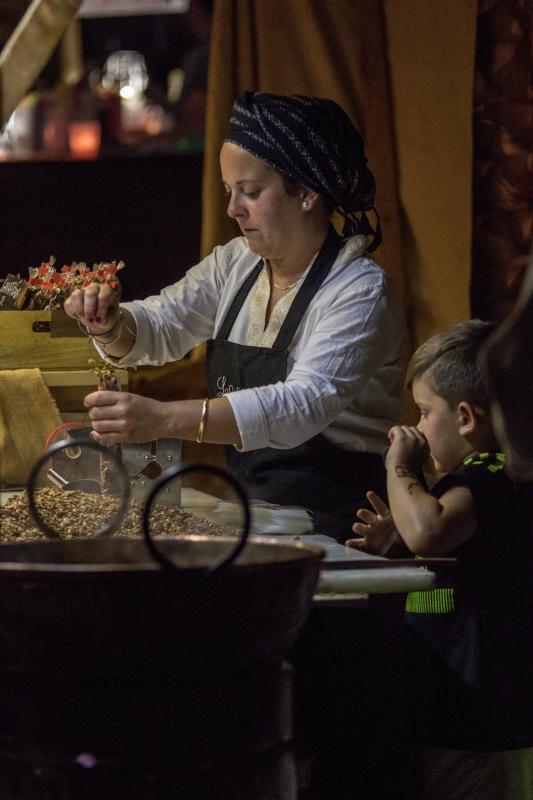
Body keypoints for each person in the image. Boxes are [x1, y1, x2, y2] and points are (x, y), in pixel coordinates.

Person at [64, 91, 405, 541]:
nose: (232, 209)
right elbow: (164, 323)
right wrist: (110, 322)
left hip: (346, 525)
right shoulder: (236, 265)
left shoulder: (358, 291)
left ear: (305, 192)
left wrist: (163, 419)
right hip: (261, 518)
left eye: (250, 192)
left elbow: (302, 404)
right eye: (229, 192)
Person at [347, 319, 533, 800]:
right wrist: (400, 541)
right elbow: (438, 539)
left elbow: (430, 530)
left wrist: (401, 466)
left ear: (466, 417)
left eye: (425, 412)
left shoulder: (494, 472)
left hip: (485, 716)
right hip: (450, 709)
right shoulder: (472, 480)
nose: (416, 426)